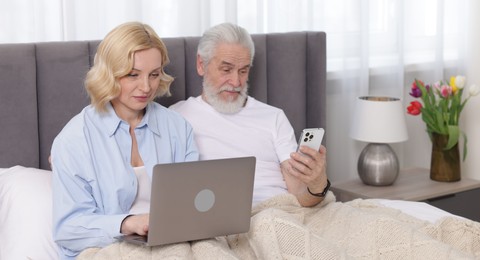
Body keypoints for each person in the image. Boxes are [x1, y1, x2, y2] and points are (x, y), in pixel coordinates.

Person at [50, 22, 199, 259]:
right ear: (108, 73)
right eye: (133, 75)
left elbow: (194, 200)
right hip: (104, 250)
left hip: (171, 242)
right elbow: (68, 229)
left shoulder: (177, 128)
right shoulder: (74, 140)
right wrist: (127, 224)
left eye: (154, 74)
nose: (146, 87)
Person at [170, 23, 329, 207]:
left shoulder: (273, 117)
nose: (236, 81)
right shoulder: (176, 117)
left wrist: (318, 184)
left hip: (281, 209)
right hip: (223, 217)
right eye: (226, 70)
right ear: (201, 64)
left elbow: (301, 198)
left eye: (243, 70)